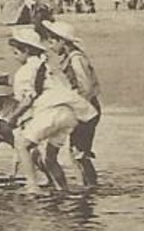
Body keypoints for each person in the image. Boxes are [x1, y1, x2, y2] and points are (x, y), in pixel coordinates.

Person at [5, 26, 95, 194]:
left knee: (22, 144)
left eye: (16, 53)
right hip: (70, 114)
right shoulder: (47, 65)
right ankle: (63, 190)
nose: (14, 57)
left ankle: (32, 186)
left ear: (25, 51)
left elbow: (28, 99)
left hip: (52, 112)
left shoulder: (25, 71)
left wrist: (13, 118)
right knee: (50, 158)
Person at [39, 20, 102, 186]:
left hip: (86, 109)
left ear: (62, 41)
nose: (50, 46)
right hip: (84, 107)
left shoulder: (76, 59)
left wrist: (74, 107)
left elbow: (86, 88)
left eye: (52, 42)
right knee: (77, 152)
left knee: (79, 152)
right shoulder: (71, 57)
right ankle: (88, 186)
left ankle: (90, 187)